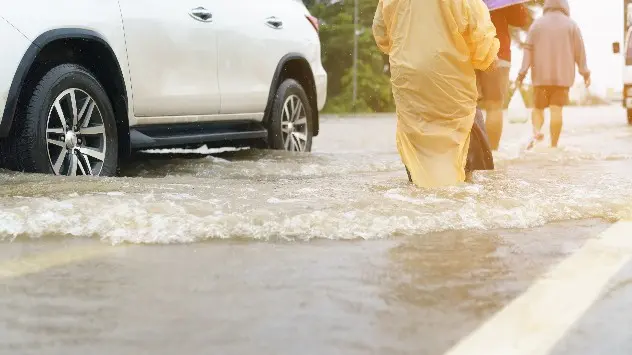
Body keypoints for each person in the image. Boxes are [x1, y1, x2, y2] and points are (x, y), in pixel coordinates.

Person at [372, 0, 499, 188]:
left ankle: (418, 186)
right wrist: (489, 59)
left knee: (416, 131)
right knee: (462, 125)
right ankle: (465, 187)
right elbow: (477, 27)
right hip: (448, 72)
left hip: (407, 75)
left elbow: (382, 36)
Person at [515, 0, 590, 149]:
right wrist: (585, 73)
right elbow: (579, 52)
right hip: (562, 78)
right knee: (556, 110)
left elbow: (528, 51)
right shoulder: (571, 25)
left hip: (540, 77)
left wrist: (522, 73)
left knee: (538, 109)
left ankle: (536, 132)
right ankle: (553, 146)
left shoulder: (536, 25)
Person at [478, 3, 532, 151]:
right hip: (498, 52)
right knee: (494, 107)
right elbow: (521, 19)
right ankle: (492, 156)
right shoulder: (503, 2)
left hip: (466, 52)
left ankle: (465, 160)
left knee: (467, 106)